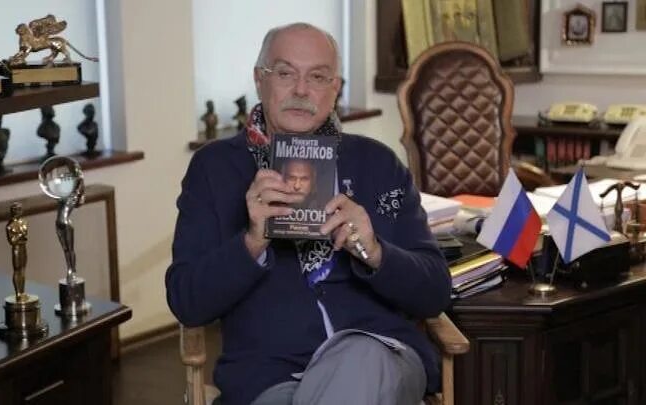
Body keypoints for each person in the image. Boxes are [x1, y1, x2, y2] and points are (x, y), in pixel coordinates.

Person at [166, 22, 451, 405]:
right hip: (270, 378)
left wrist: (375, 252)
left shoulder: (378, 163)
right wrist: (252, 242)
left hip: (379, 356)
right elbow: (187, 301)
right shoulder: (213, 169)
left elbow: (435, 293)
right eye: (285, 73)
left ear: (335, 89)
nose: (301, 90)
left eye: (317, 77)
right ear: (259, 80)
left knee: (360, 359)